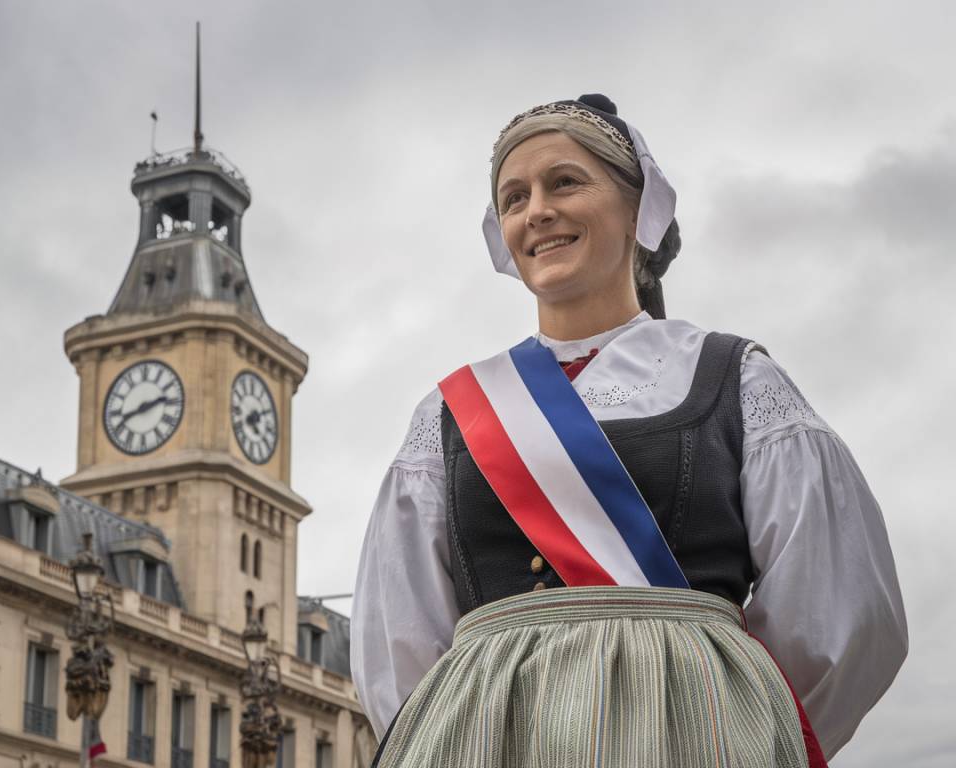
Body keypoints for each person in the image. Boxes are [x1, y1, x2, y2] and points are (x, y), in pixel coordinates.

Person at [351, 94, 907, 767]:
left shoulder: (734, 379)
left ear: (636, 208)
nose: (537, 211)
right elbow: (398, 644)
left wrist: (731, 716)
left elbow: (840, 614)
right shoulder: (447, 413)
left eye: (565, 182)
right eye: (515, 196)